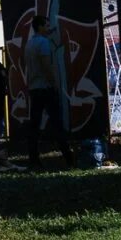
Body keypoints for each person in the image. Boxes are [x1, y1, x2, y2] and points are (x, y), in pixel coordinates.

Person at [24, 14, 74, 170]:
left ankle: (33, 158)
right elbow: (46, 65)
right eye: (46, 25)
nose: (49, 28)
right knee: (57, 123)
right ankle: (69, 157)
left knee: (35, 124)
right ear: (39, 27)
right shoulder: (44, 43)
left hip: (34, 88)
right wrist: (54, 83)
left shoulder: (29, 44)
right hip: (45, 87)